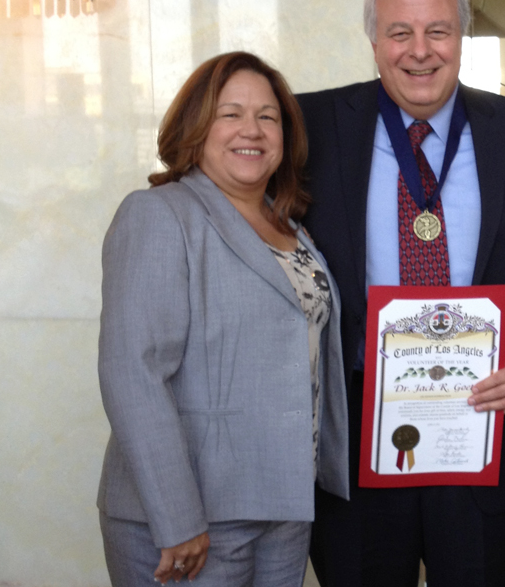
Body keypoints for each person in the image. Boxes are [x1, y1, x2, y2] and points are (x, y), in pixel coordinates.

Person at [298, 0, 505, 587]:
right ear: (373, 41)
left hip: (488, 429)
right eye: (399, 33)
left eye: (437, 31)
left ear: (462, 36)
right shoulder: (312, 127)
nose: (419, 52)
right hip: (358, 441)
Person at [97, 52, 350, 586]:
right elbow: (133, 373)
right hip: (193, 517)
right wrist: (177, 516)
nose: (251, 130)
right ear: (197, 126)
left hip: (283, 502)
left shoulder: (290, 225)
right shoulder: (160, 215)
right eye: (230, 113)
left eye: (267, 116)